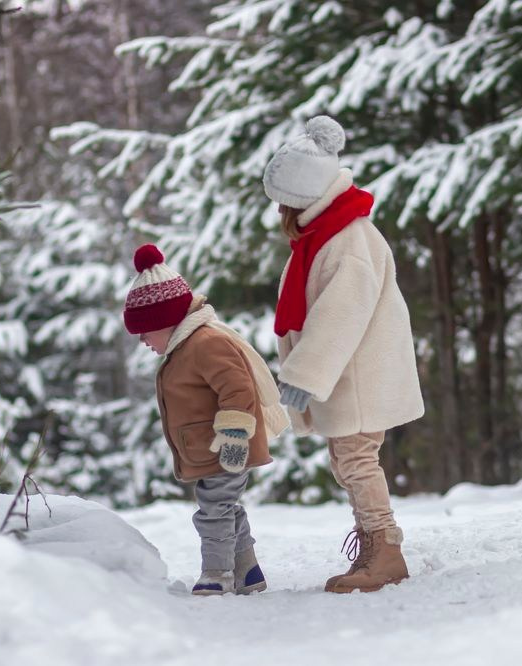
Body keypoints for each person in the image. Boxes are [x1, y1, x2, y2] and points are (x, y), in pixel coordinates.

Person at [262, 115, 425, 593]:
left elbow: (340, 315)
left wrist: (303, 374)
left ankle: (386, 550)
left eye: (284, 203)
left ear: (303, 198)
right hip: (347, 377)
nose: (281, 213)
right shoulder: (327, 235)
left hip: (358, 377)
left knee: (356, 459)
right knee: (347, 460)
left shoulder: (347, 240)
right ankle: (374, 544)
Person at [123, 243, 288, 595]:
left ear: (164, 321)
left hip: (227, 448)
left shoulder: (206, 343)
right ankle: (248, 572)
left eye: (145, 331)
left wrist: (234, 439)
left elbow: (238, 389)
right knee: (223, 507)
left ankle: (217, 574)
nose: (142, 340)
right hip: (210, 450)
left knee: (213, 511)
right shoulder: (186, 346)